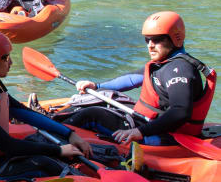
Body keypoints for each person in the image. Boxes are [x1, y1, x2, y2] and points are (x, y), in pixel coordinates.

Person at [0, 31, 91, 179]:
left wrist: (69, 134)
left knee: (48, 146)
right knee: (47, 166)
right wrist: (58, 151)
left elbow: (26, 113)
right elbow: (9, 146)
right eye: (5, 58)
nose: (11, 63)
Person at [55, 12, 216, 146]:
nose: (150, 45)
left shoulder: (180, 69)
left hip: (166, 136)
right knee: (97, 101)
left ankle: (52, 138)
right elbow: (131, 79)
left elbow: (180, 112)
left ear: (177, 38)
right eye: (147, 39)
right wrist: (97, 85)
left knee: (90, 114)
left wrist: (140, 132)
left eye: (157, 39)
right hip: (146, 122)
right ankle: (53, 122)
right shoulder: (163, 64)